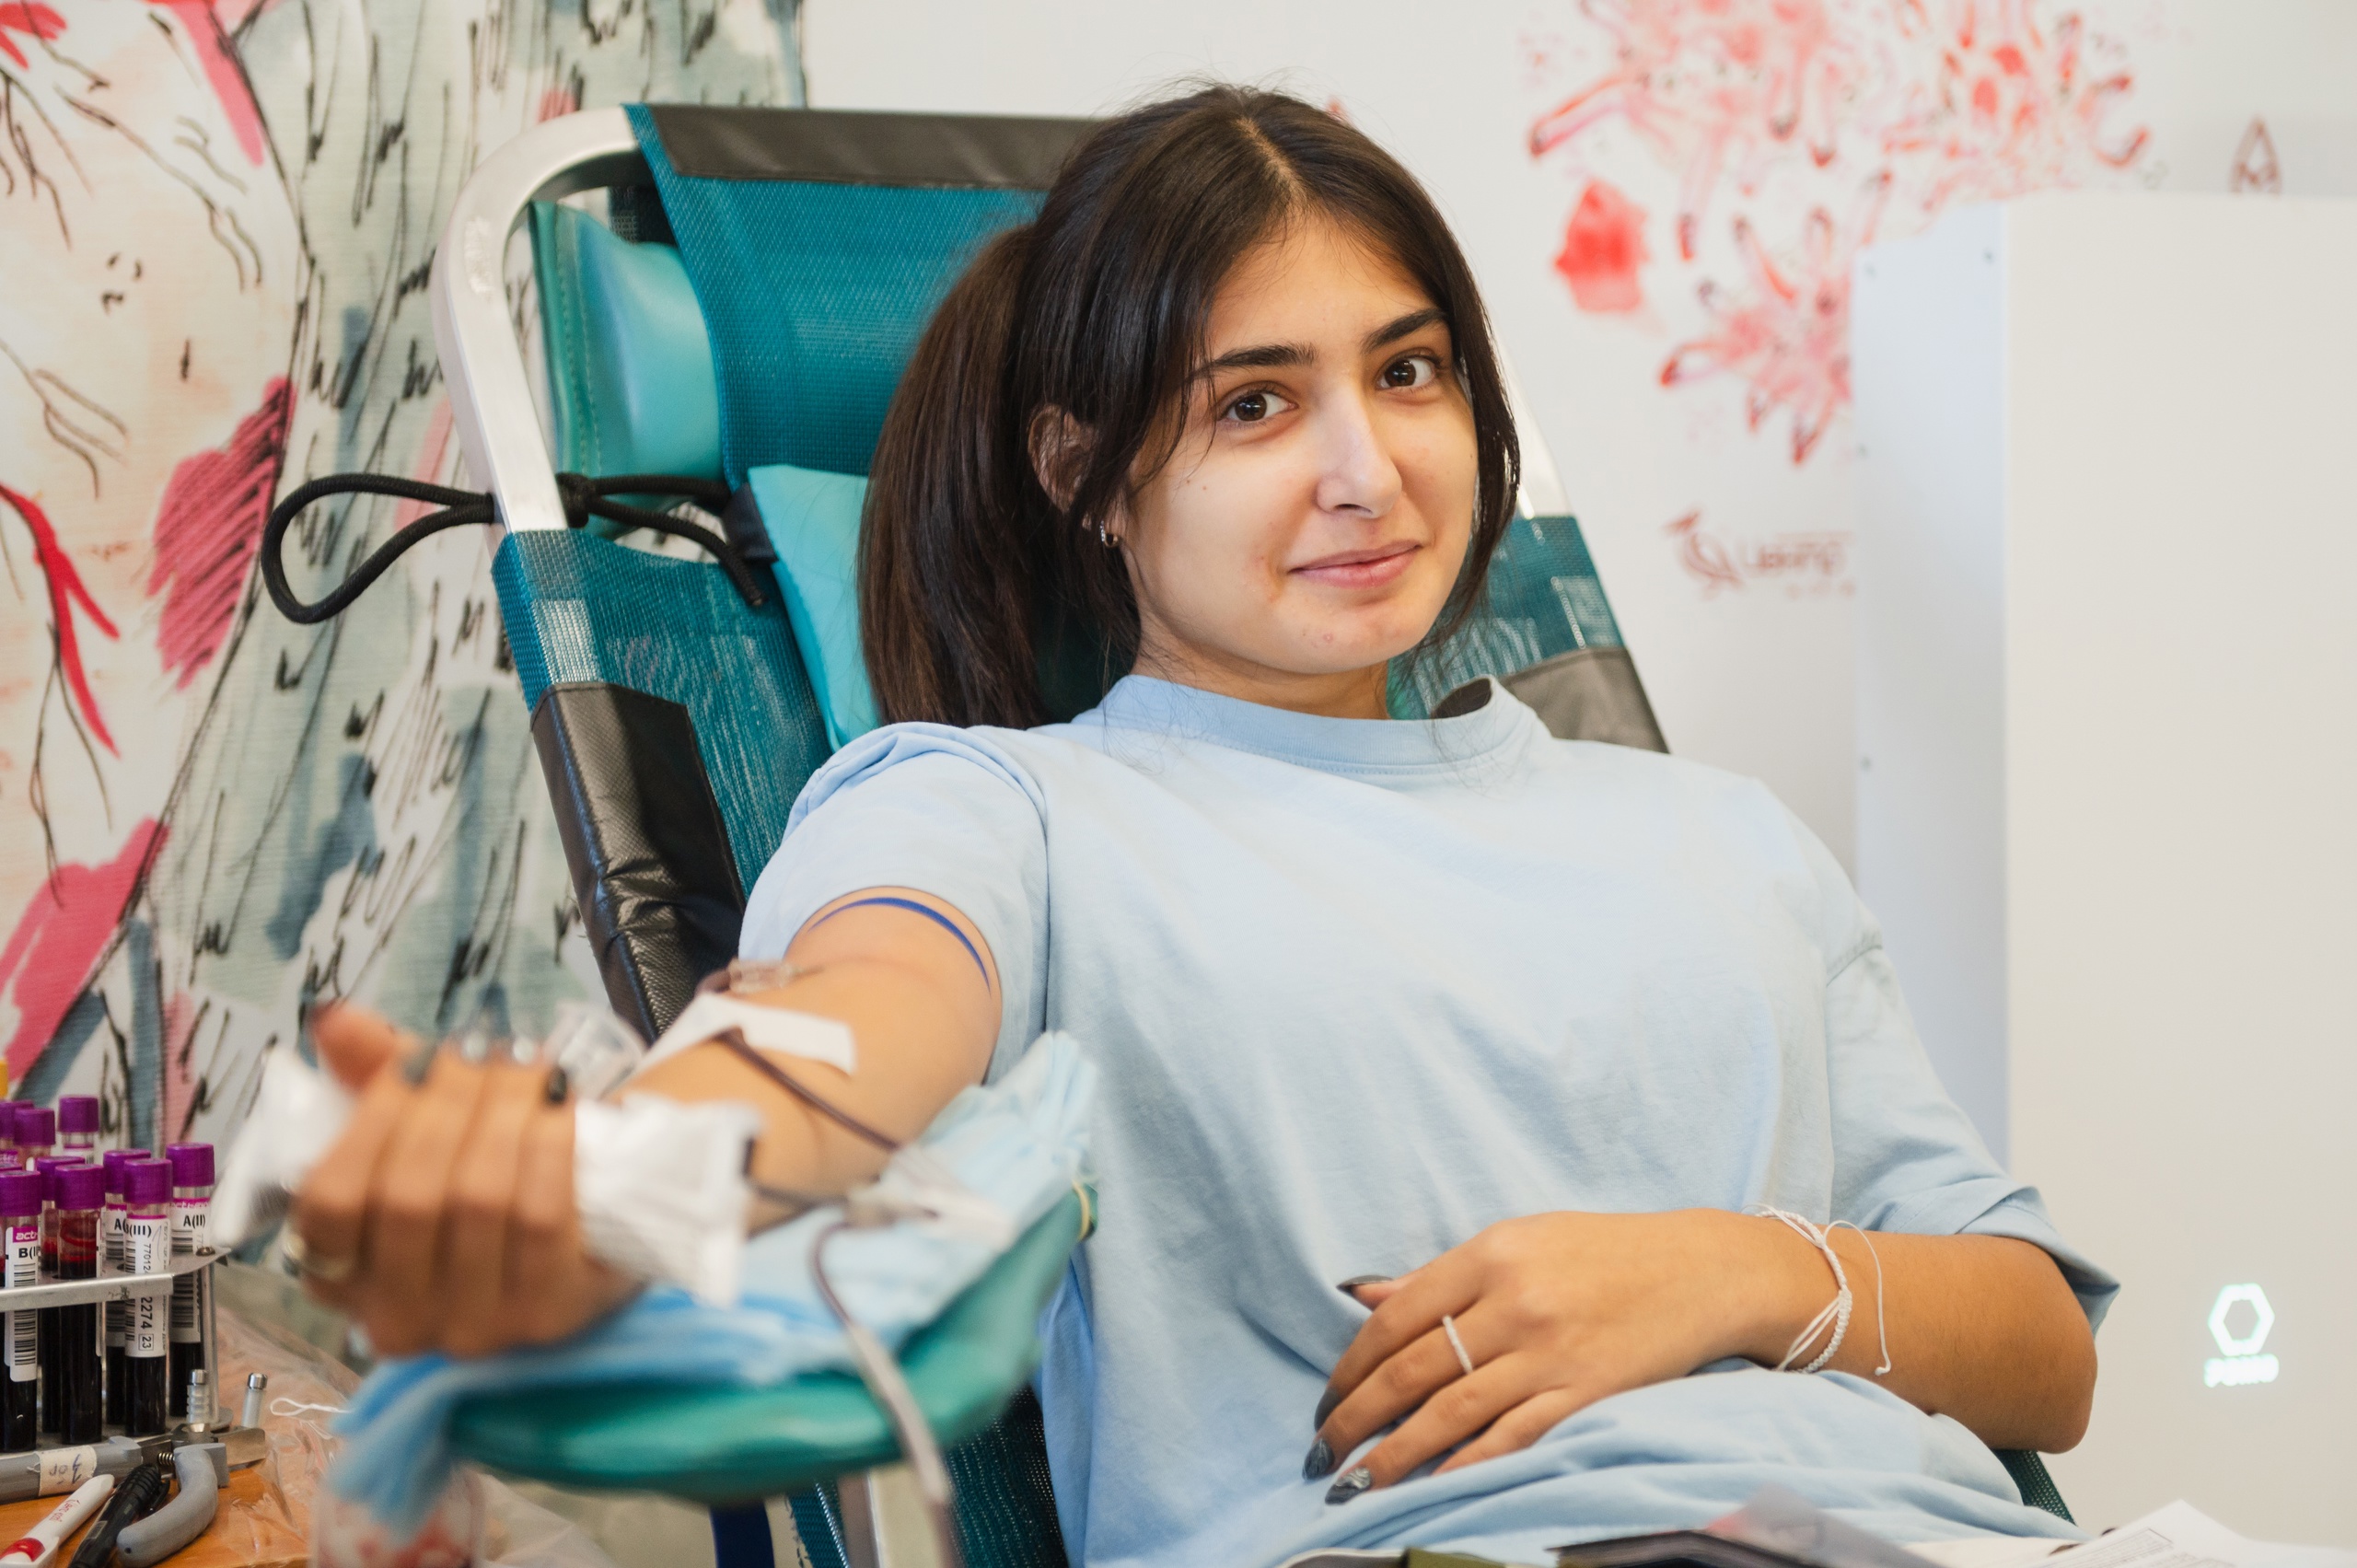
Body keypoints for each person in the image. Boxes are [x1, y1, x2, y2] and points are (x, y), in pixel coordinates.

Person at [292, 86, 2112, 1567]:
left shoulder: (1722, 837)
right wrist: (603, 1186)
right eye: (1253, 404)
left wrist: (1723, 1275)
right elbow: (845, 1032)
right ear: (1081, 472)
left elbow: (2041, 1353)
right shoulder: (999, 808)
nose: (1364, 471)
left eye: (1407, 373)